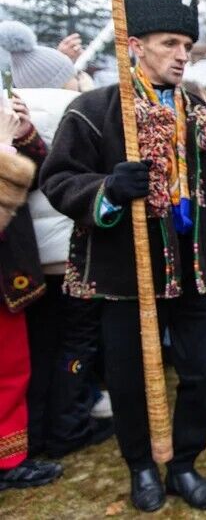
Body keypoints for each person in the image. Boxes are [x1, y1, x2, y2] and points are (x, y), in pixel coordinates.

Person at [40, 0, 206, 512]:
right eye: (170, 43)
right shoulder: (94, 111)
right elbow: (59, 179)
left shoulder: (201, 115)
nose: (182, 55)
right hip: (127, 274)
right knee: (131, 377)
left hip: (197, 270)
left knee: (201, 370)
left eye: (188, 46)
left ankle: (183, 463)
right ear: (134, 45)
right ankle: (141, 468)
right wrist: (108, 190)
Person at [0, 19, 114, 459]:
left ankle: (41, 430)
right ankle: (70, 426)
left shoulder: (14, 112)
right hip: (71, 249)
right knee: (77, 345)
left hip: (26, 259)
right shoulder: (76, 106)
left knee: (40, 348)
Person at [0, 96, 64, 492]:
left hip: (10, 269)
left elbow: (40, 173)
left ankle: (11, 455)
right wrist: (5, 147)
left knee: (14, 367)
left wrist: (24, 135)